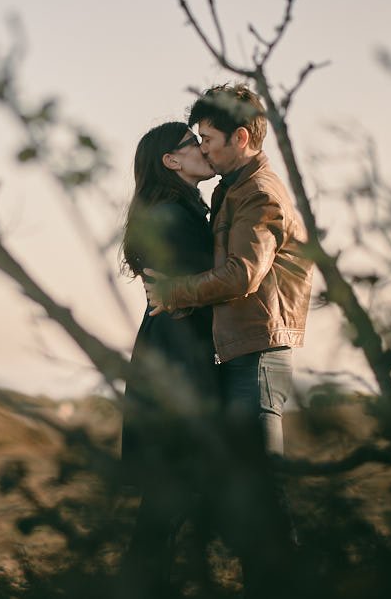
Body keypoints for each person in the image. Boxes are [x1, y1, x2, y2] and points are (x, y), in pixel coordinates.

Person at [143, 83, 314, 596]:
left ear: (240, 137)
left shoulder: (257, 192)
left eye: (208, 137)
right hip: (241, 351)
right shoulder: (232, 188)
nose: (203, 146)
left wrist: (175, 292)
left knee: (264, 485)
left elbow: (242, 274)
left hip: (257, 356)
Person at [117, 121, 216, 597]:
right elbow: (217, 280)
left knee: (171, 492)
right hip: (177, 357)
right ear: (171, 161)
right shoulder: (174, 214)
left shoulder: (178, 207)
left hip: (171, 350)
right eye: (192, 143)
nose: (204, 148)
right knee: (171, 490)